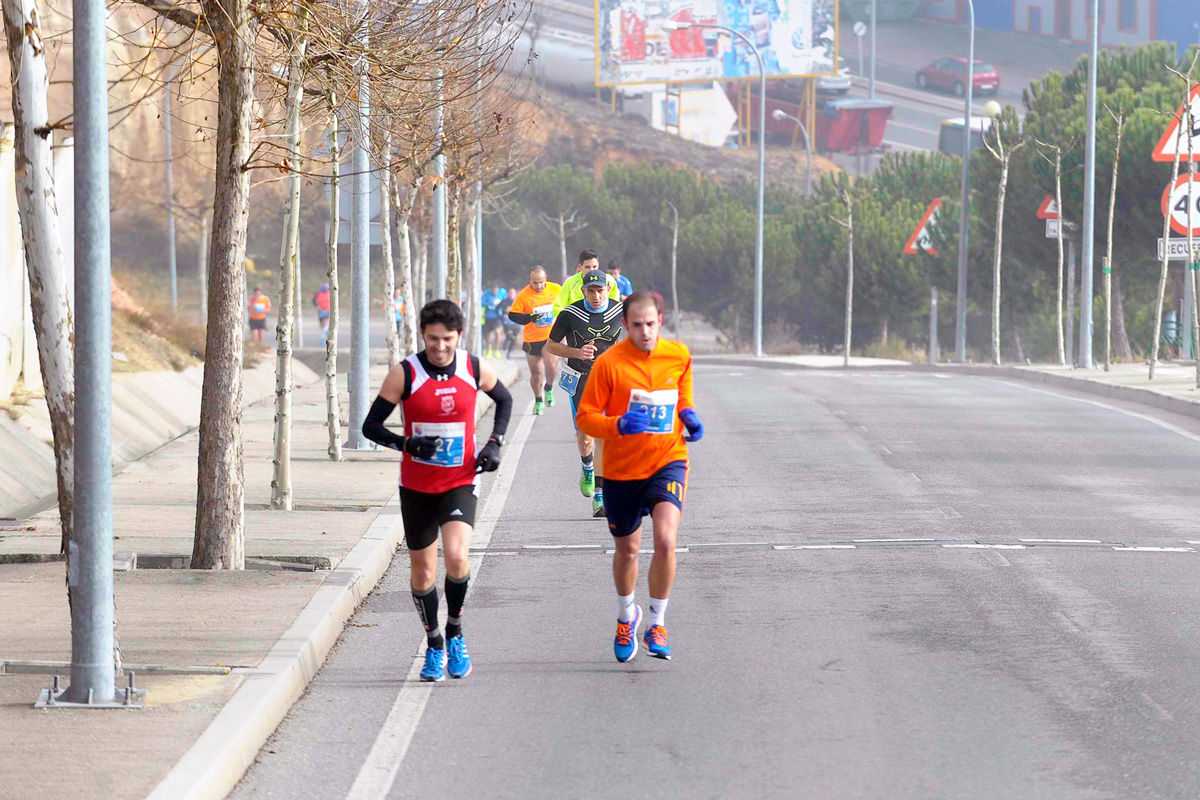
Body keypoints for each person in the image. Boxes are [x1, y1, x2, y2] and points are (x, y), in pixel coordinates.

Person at [361, 299, 513, 682]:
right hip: (416, 486)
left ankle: (456, 630)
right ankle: (433, 644)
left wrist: (494, 443)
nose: (440, 347)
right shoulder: (405, 373)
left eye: (447, 339)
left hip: (460, 480)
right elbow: (370, 426)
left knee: (458, 557)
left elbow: (505, 399)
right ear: (423, 336)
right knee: (424, 570)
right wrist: (406, 444)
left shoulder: (473, 367)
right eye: (432, 339)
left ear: (458, 336)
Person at [576, 292, 704, 663]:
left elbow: (683, 397)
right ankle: (625, 615)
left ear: (660, 319)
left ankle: (657, 623)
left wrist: (689, 415)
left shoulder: (678, 355)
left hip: (668, 459)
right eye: (636, 325)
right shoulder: (609, 364)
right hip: (622, 470)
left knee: (666, 540)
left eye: (650, 324)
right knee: (628, 550)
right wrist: (617, 424)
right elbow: (585, 417)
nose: (645, 332)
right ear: (624, 326)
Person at [545, 270, 624, 518]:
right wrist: (577, 352)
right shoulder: (571, 313)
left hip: (609, 378)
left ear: (608, 290)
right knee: (585, 438)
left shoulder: (620, 311)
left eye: (600, 290)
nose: (596, 296)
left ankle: (600, 495)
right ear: (583, 292)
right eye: (591, 291)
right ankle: (587, 466)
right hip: (581, 378)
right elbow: (550, 345)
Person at [507, 266, 562, 415]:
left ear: (546, 279)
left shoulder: (556, 289)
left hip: (550, 335)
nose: (538, 286)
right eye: (535, 282)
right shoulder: (524, 294)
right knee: (536, 372)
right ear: (529, 280)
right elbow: (512, 315)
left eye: (541, 282)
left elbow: (566, 304)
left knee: (551, 363)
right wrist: (529, 318)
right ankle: (538, 400)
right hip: (532, 339)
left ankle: (549, 387)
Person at [553, 249, 621, 317]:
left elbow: (615, 305)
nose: (591, 271)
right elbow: (557, 308)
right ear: (580, 267)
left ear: (598, 264)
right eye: (587, 267)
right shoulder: (570, 283)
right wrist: (571, 320)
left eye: (594, 267)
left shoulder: (609, 281)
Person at [482, 285, 508, 358]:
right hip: (488, 316)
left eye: (496, 290)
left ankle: (497, 349)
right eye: (493, 290)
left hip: (497, 317)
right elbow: (482, 302)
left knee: (497, 332)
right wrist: (488, 305)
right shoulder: (487, 294)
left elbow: (506, 301)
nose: (495, 292)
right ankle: (489, 349)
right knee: (489, 334)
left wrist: (500, 304)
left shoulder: (502, 292)